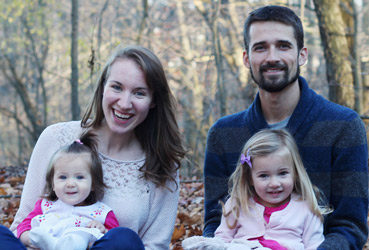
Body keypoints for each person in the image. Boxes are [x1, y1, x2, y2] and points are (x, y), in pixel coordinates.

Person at [203, 5, 368, 250]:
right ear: (247, 58)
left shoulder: (343, 126)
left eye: (283, 45)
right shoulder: (223, 134)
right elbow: (216, 222)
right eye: (260, 47)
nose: (272, 57)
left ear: (302, 55)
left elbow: (350, 226)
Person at [7, 45, 186, 250]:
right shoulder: (55, 138)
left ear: (153, 101)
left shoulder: (162, 163)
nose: (124, 103)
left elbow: (154, 245)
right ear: (103, 88)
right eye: (117, 87)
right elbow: (22, 224)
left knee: (124, 239)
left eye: (139, 93)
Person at [184, 129, 331, 250]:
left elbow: (315, 245)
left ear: (295, 173)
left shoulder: (306, 208)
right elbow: (223, 239)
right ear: (250, 178)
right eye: (264, 176)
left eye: (282, 173)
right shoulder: (238, 204)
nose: (274, 183)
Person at [18, 131, 119, 250]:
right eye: (63, 177)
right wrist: (32, 240)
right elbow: (22, 228)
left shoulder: (101, 213)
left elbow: (116, 239)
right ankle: (51, 244)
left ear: (93, 184)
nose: (70, 184)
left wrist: (103, 230)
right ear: (53, 184)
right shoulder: (45, 206)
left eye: (79, 177)